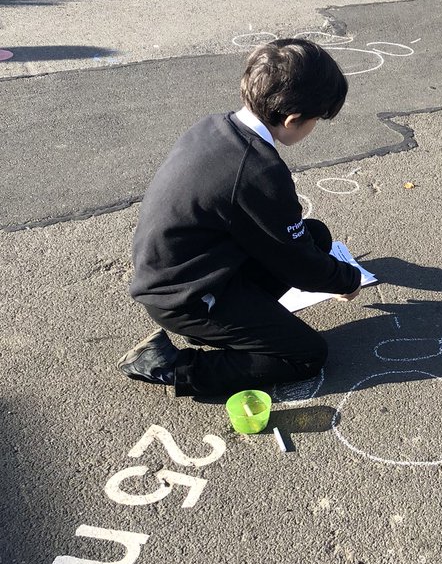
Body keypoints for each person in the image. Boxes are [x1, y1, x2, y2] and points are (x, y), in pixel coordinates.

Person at [118, 38, 363, 398]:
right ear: (293, 119)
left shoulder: (215, 126)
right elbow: (296, 263)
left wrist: (327, 272)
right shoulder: (258, 172)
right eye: (315, 121)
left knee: (315, 236)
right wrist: (346, 281)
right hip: (185, 296)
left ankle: (219, 328)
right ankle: (172, 365)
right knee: (307, 355)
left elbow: (287, 241)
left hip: (187, 268)